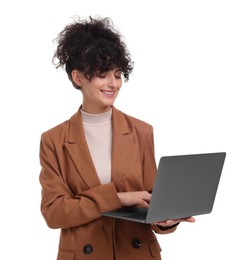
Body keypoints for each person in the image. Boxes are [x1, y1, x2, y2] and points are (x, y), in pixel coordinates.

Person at [39, 16, 195, 260]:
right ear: (78, 78)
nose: (113, 84)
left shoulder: (141, 131)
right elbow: (55, 212)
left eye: (118, 74)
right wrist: (118, 198)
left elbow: (152, 203)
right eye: (102, 74)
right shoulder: (54, 140)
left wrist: (166, 220)